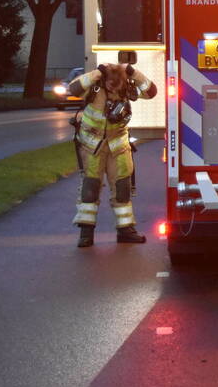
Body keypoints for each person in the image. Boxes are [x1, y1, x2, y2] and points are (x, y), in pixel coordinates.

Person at [67, 63, 157, 248]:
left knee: (122, 187)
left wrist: (134, 73)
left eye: (117, 85)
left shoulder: (126, 87)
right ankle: (86, 233)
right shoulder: (94, 86)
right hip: (93, 147)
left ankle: (125, 230)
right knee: (91, 187)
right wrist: (96, 73)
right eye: (110, 84)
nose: (113, 89)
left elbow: (151, 92)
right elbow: (73, 89)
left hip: (118, 147)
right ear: (104, 80)